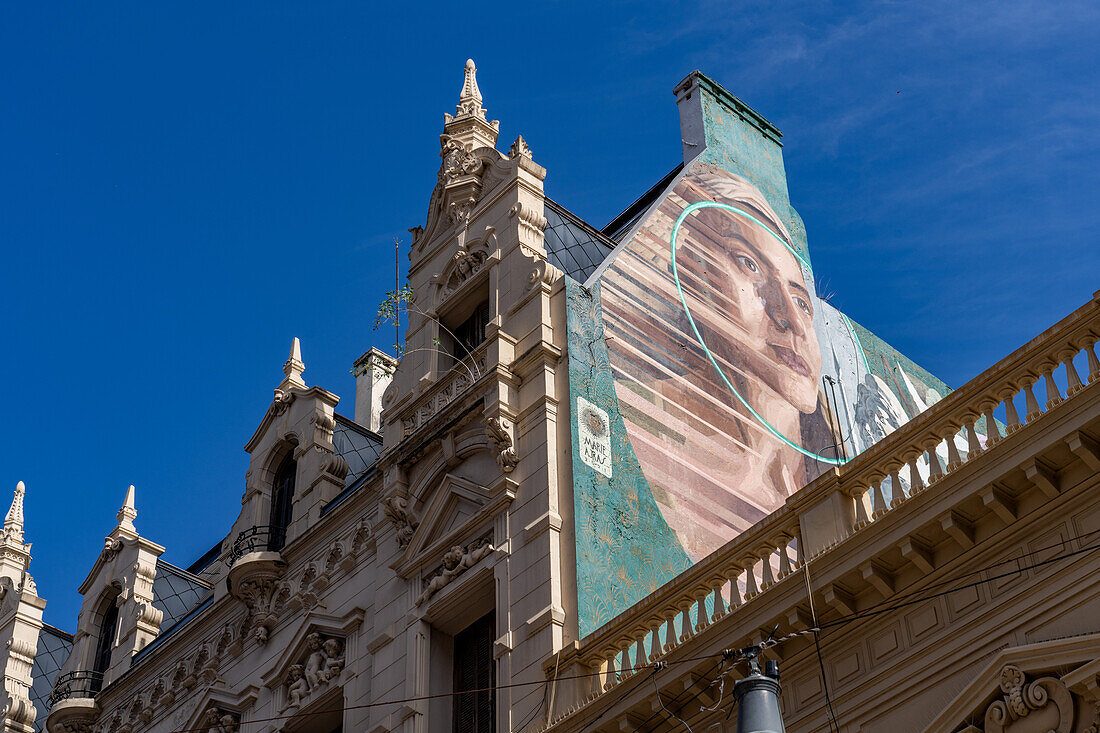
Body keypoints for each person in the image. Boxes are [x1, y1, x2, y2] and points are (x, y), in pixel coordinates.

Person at [600, 164, 836, 561]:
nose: (791, 320)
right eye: (750, 265)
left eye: (802, 301)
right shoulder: (636, 431)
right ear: (691, 269)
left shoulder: (849, 484)